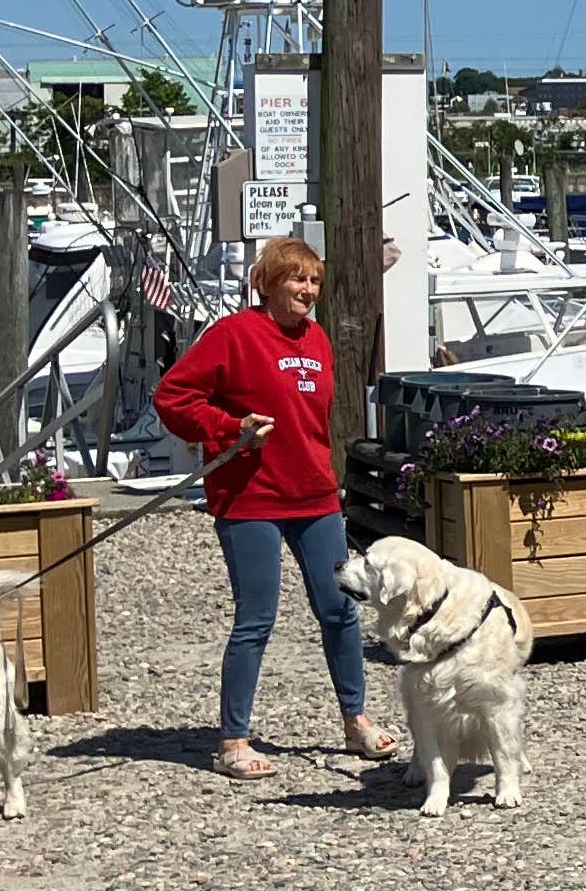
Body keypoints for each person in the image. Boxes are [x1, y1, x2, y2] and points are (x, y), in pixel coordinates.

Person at [152, 235, 400, 782]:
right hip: (251, 499)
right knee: (256, 620)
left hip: (314, 495)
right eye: (296, 279)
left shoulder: (317, 339)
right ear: (268, 283)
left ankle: (355, 719)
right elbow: (173, 396)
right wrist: (227, 428)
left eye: (313, 281)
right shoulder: (234, 334)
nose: (307, 290)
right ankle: (233, 740)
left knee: (339, 610)